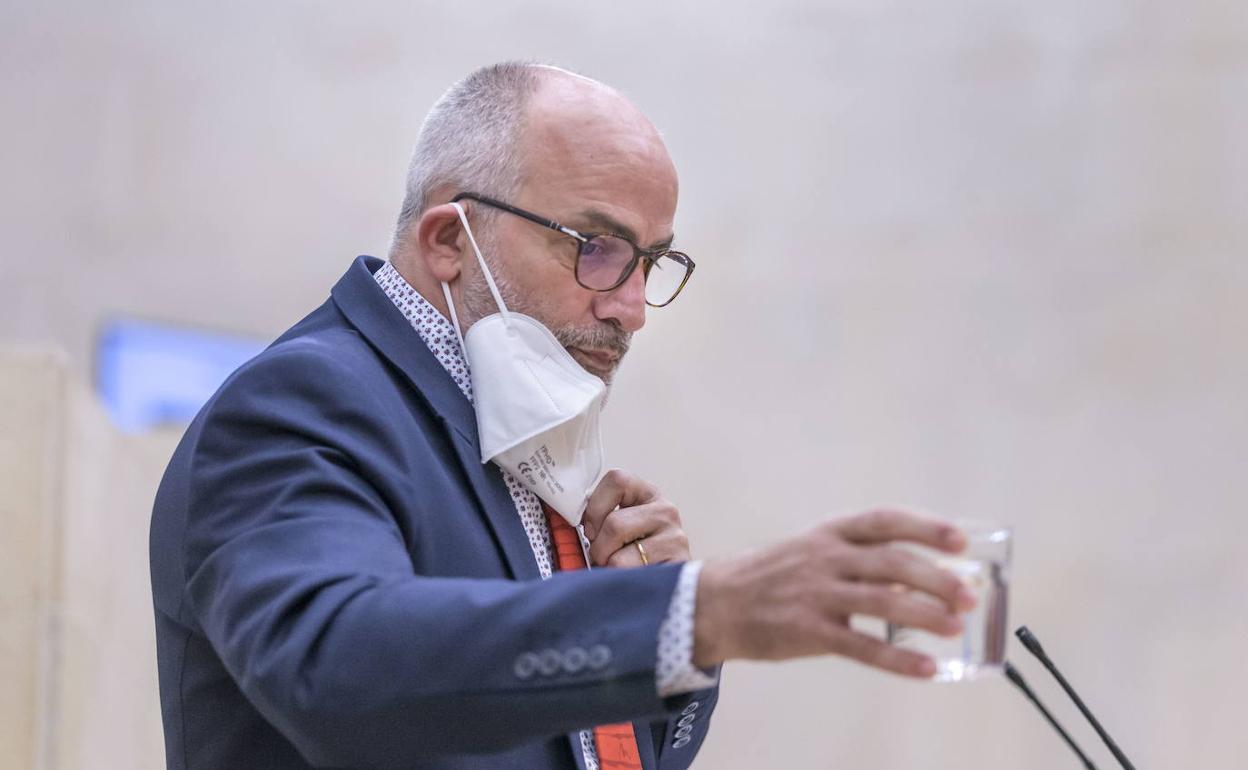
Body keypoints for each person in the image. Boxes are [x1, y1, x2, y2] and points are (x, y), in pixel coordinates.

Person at [149, 62, 976, 770]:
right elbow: (331, 661)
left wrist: (665, 630)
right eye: (597, 246)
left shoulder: (515, 433)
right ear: (450, 240)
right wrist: (695, 611)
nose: (632, 308)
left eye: (651, 262)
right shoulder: (305, 401)